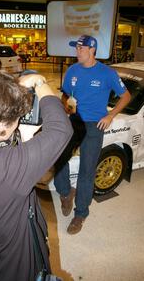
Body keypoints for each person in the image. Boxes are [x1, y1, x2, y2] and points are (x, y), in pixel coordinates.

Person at [0, 71, 73, 281]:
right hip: (18, 265)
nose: (18, 122)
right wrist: (39, 81)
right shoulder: (7, 168)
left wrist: (24, 140)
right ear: (1, 125)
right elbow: (60, 130)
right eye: (16, 118)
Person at [54, 35, 131, 235]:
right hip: (74, 120)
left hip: (95, 125)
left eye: (80, 48)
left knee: (86, 172)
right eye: (76, 48)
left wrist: (111, 115)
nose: (77, 52)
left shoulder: (107, 73)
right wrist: (66, 106)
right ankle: (65, 193)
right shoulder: (72, 70)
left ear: (92, 50)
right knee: (59, 160)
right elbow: (65, 94)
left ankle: (80, 214)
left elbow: (126, 96)